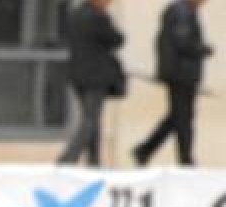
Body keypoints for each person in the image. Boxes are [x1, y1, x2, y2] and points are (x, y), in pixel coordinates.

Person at [132, 0, 214, 166]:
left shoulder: (183, 10)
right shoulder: (181, 11)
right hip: (180, 74)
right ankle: (185, 159)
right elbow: (182, 42)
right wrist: (203, 49)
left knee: (178, 116)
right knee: (183, 118)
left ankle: (145, 150)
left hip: (181, 73)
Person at [57, 0, 125, 167]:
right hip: (96, 76)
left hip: (78, 75)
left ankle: (94, 161)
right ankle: (69, 158)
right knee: (90, 119)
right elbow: (116, 38)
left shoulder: (75, 14)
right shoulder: (98, 17)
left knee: (92, 119)